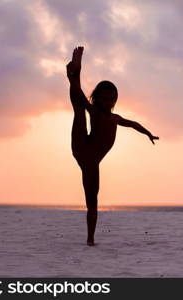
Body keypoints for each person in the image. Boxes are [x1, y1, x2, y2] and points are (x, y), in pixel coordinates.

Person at [66, 46, 159, 246]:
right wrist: (72, 79)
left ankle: (90, 239)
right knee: (79, 109)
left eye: (112, 98)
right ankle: (75, 72)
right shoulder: (96, 112)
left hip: (92, 162)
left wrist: (148, 133)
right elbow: (81, 98)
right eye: (104, 98)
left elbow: (134, 124)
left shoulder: (115, 118)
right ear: (97, 98)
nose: (108, 101)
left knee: (93, 201)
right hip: (82, 145)